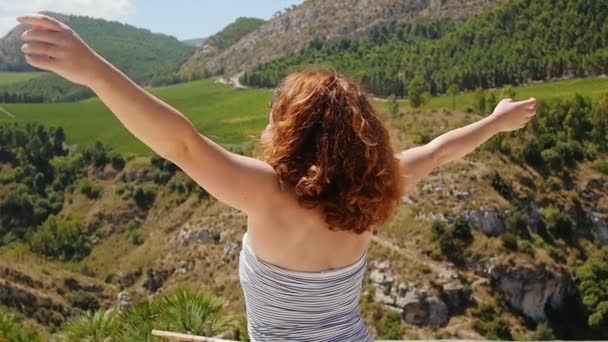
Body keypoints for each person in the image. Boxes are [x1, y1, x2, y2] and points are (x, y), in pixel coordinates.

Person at [17, 14, 537, 342]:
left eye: (275, 116)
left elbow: (180, 142)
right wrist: (496, 120)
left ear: (292, 131)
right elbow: (440, 151)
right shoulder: (376, 186)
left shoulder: (270, 195)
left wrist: (92, 70)